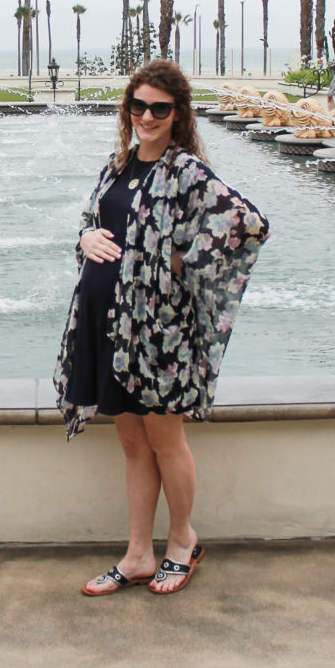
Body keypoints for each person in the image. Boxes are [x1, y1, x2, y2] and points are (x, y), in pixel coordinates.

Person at [54, 59, 269, 598]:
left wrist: (181, 261)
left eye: (159, 108)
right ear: (127, 109)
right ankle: (137, 555)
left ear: (177, 115)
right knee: (131, 442)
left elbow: (248, 224)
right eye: (138, 105)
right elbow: (92, 221)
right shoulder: (116, 165)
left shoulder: (186, 172)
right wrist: (84, 239)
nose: (146, 116)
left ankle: (181, 542)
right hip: (108, 326)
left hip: (159, 335)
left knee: (165, 440)